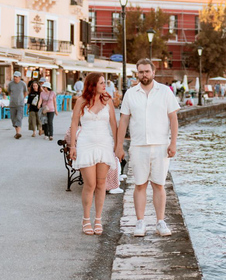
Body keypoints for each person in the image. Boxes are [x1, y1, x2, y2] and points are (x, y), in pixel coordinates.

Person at [115, 58, 180, 237]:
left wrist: (173, 142)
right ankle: (140, 222)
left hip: (161, 146)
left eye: (147, 71)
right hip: (138, 146)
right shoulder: (130, 93)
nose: (144, 75)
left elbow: (173, 119)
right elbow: (123, 121)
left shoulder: (165, 92)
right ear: (137, 73)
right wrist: (119, 146)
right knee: (140, 184)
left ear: (153, 73)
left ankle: (160, 222)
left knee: (159, 185)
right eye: (141, 72)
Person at [69, 73, 118, 236]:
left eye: (105, 82)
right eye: (101, 83)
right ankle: (85, 219)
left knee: (101, 184)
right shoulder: (81, 101)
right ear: (92, 85)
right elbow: (74, 123)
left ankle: (98, 219)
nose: (105, 85)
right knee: (90, 184)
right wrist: (72, 146)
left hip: (104, 143)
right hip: (86, 144)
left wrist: (117, 145)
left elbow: (113, 124)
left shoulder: (108, 100)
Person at [7, 71, 27, 139]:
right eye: (14, 77)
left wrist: (22, 98)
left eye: (16, 77)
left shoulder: (23, 84)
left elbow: (25, 92)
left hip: (20, 104)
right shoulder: (10, 84)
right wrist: (13, 97)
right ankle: (17, 132)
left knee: (19, 118)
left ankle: (18, 133)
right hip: (12, 104)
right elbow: (9, 92)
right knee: (13, 119)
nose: (15, 78)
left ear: (19, 77)